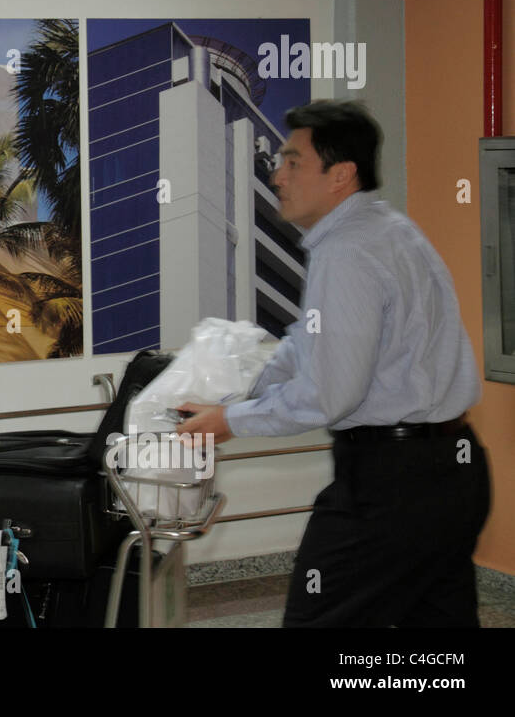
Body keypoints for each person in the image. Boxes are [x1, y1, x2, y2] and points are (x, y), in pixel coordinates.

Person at [176, 99, 491, 627]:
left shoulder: (347, 252)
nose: (277, 175)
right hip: (450, 474)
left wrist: (230, 422)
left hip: (392, 490)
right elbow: (308, 343)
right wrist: (238, 398)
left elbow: (330, 393)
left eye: (294, 161)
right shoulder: (386, 229)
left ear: (340, 174)